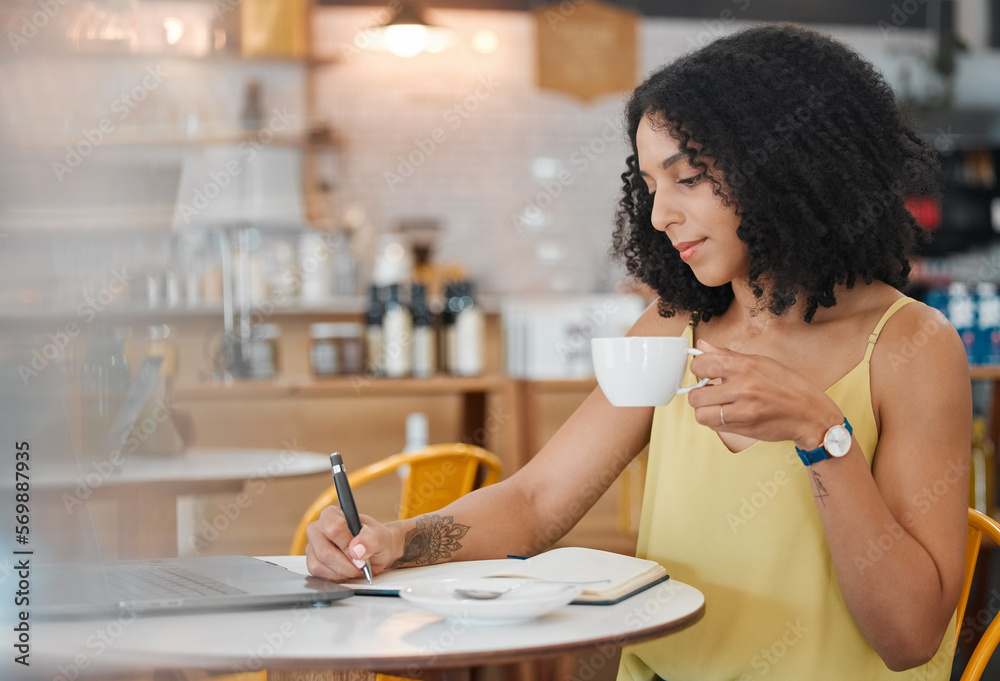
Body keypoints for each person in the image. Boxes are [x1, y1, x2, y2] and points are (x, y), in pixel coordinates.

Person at [306, 23, 971, 680]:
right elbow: (536, 501)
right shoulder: (671, 327)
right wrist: (401, 538)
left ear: (782, 166)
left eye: (687, 179)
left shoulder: (911, 345)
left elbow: (908, 637)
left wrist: (822, 431)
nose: (658, 216)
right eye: (650, 185)